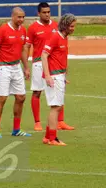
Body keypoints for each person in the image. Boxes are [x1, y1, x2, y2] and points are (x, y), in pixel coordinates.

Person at [26, 2, 74, 131]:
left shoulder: (55, 26)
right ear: (38, 13)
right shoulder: (33, 28)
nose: (47, 14)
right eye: (44, 12)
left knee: (59, 90)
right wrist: (26, 66)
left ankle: (61, 121)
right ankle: (37, 122)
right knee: (37, 92)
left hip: (54, 65)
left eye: (48, 12)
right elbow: (27, 46)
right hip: (39, 62)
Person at [0, 7, 31, 138]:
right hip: (3, 67)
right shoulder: (3, 29)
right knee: (2, 98)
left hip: (16, 67)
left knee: (21, 97)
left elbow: (23, 50)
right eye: (19, 17)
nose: (21, 20)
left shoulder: (23, 30)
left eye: (23, 17)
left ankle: (16, 129)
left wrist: (26, 67)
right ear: (12, 16)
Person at [41, 13, 77, 146]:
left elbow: (59, 58)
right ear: (65, 25)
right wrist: (48, 76)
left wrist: (64, 76)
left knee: (57, 106)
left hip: (59, 76)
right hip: (54, 76)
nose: (73, 28)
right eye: (72, 26)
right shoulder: (55, 37)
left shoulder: (64, 37)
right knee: (55, 107)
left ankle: (47, 137)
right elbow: (44, 55)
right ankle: (53, 138)